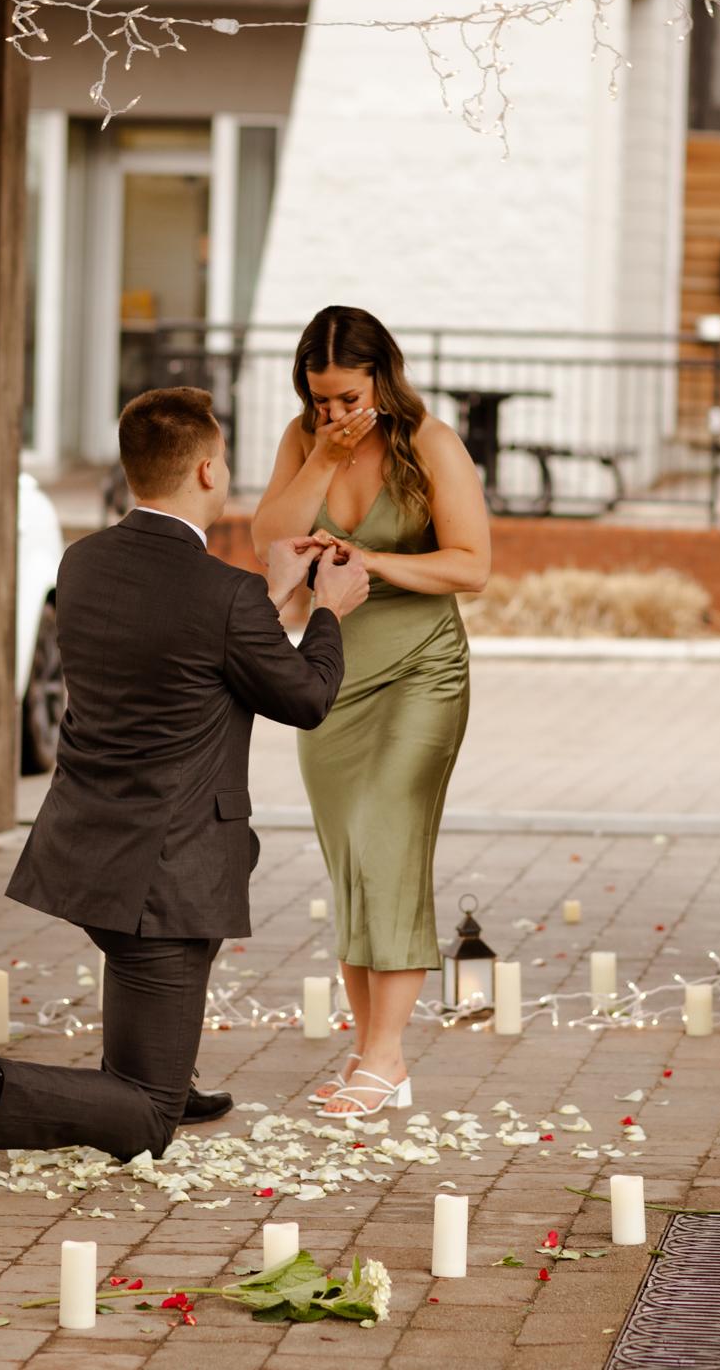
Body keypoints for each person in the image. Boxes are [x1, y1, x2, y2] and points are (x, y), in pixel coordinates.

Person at [0, 385, 368, 1194]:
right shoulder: (222, 595)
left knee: (158, 968)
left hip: (90, 846)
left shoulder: (84, 563)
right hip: (166, 867)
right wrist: (326, 610)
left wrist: (269, 593)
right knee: (147, 1117)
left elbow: (180, 651)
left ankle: (163, 1070)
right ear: (208, 470)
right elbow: (305, 697)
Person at [252, 307, 490, 1117]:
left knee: (388, 837)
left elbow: (472, 565)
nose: (334, 412)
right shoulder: (303, 440)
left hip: (422, 669)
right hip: (332, 674)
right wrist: (322, 456)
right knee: (352, 858)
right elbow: (269, 541)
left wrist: (373, 560)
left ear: (381, 380)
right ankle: (368, 1053)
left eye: (347, 398)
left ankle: (387, 1055)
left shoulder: (431, 442)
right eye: (320, 399)